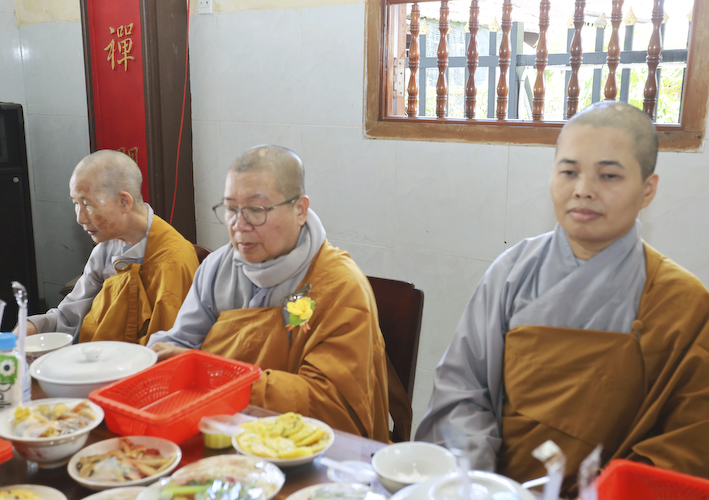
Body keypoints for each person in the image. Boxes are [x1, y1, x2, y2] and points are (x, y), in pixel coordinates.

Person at [415, 101, 709, 493]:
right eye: (569, 172)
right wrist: (483, 487)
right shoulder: (512, 273)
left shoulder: (682, 302)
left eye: (608, 175)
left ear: (647, 189)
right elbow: (461, 393)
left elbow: (687, 443)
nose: (583, 190)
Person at [148, 145, 390, 442]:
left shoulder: (340, 286)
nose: (239, 225)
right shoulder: (217, 267)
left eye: (256, 210)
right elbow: (180, 344)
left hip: (302, 448)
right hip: (218, 433)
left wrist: (213, 375)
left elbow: (331, 406)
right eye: (230, 209)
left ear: (299, 210)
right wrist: (159, 356)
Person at [22, 150, 199, 345]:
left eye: (87, 204)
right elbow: (69, 317)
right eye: (76, 203)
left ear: (124, 202)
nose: (80, 218)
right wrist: (32, 327)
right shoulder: (106, 248)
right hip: (98, 354)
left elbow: (169, 347)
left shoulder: (174, 260)